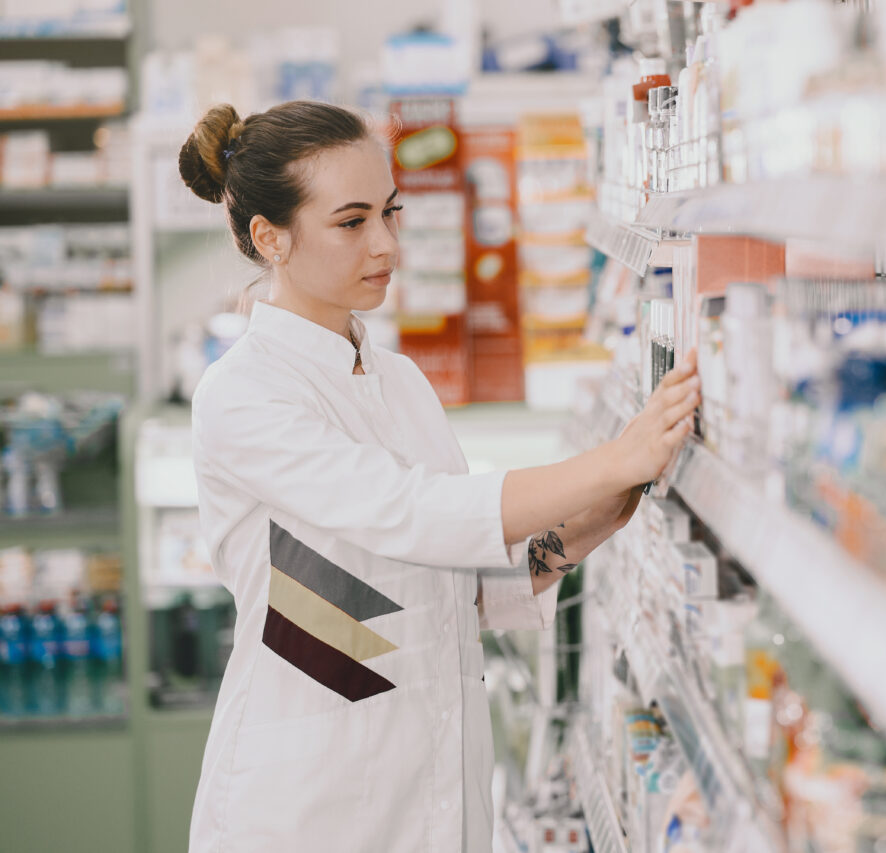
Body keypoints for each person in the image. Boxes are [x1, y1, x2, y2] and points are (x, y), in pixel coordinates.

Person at [179, 100, 700, 853]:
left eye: (391, 212)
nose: (386, 243)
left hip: (433, 797)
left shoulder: (399, 381)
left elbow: (443, 590)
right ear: (271, 237)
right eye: (352, 222)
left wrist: (592, 520)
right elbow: (410, 511)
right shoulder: (242, 394)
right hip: (306, 812)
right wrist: (613, 458)